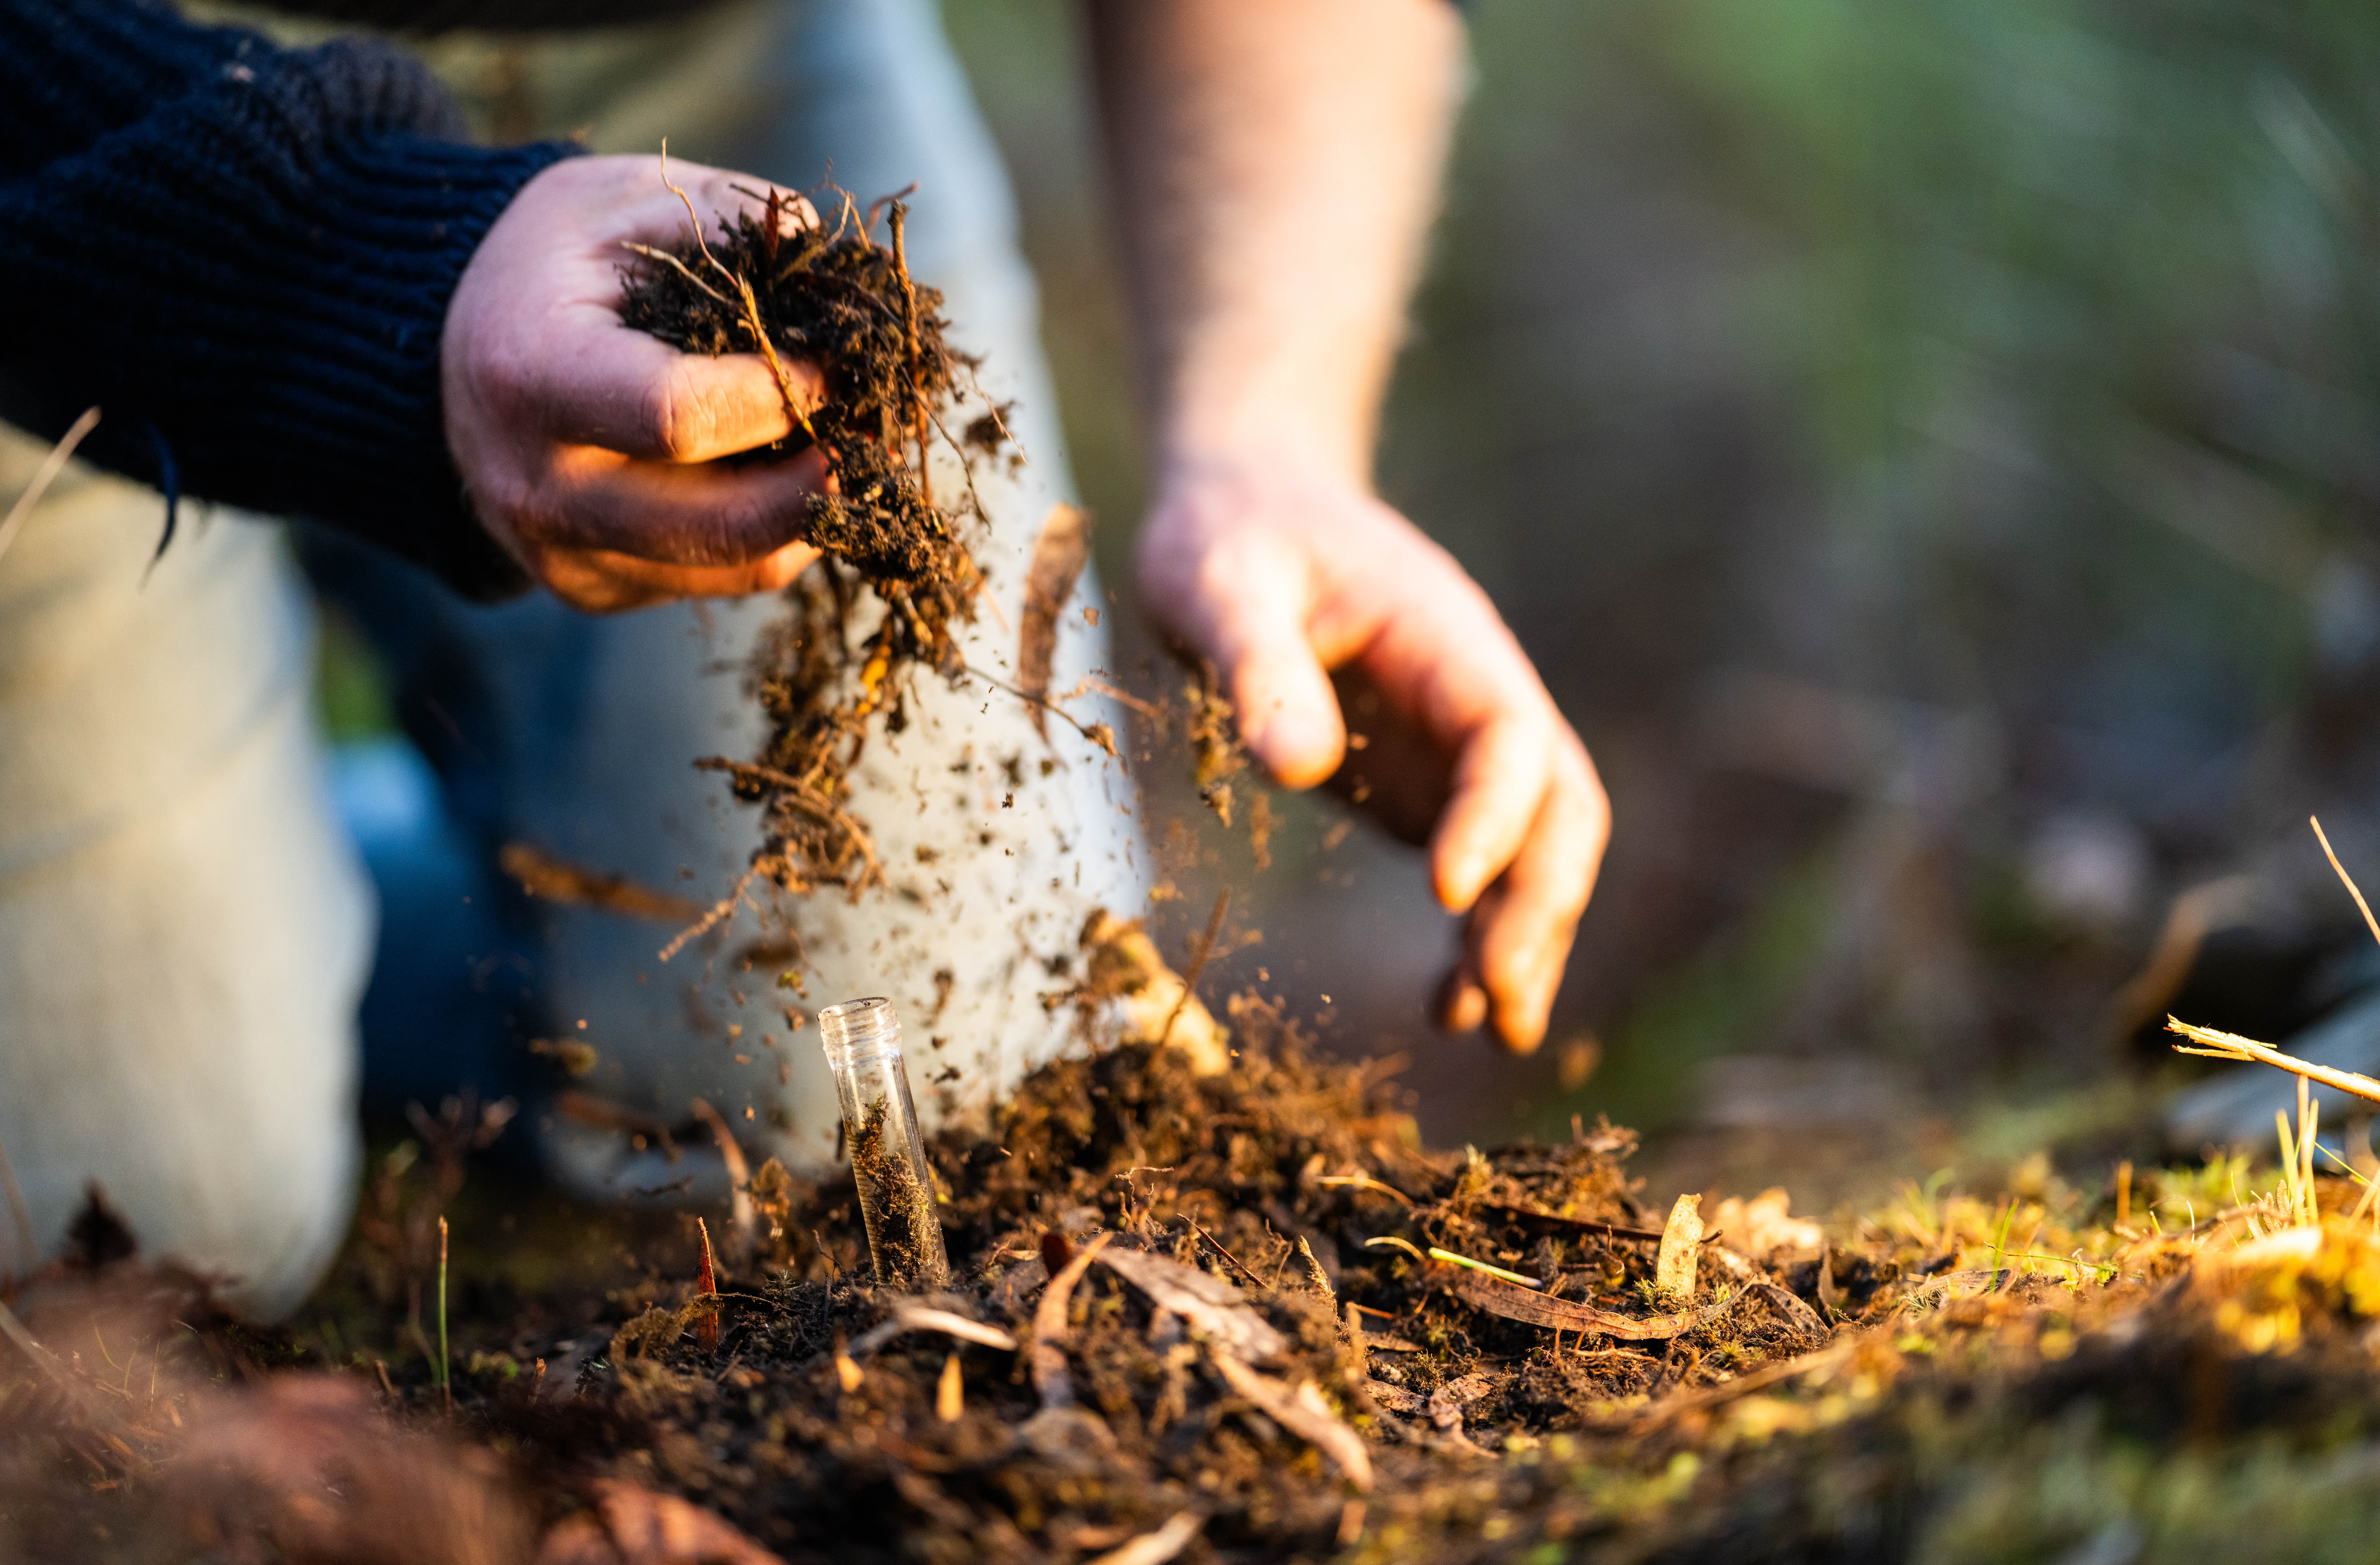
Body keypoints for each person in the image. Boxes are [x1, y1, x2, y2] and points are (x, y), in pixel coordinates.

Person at [0, 0, 1607, 1318]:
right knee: (147, 1235)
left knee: (914, 1099)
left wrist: (1268, 444)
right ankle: (230, 889)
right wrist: (367, 253)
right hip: (68, 137)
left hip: (697, 75)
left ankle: (327, 873)